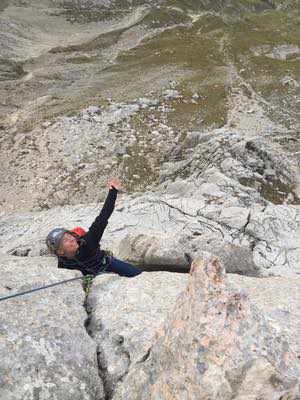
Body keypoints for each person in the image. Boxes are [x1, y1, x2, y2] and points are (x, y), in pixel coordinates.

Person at [46, 178, 142, 278]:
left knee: (138, 275)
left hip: (107, 264)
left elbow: (103, 216)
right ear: (60, 252)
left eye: (69, 235)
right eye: (65, 240)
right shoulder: (63, 263)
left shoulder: (89, 241)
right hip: (92, 275)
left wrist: (113, 191)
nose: (71, 238)